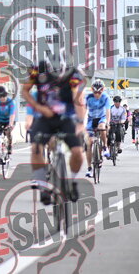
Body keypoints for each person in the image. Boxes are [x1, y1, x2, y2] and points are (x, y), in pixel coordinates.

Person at [21, 58, 87, 205]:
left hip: (67, 118)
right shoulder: (38, 70)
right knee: (36, 149)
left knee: (77, 152)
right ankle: (43, 186)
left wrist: (80, 123)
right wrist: (39, 108)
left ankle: (72, 181)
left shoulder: (74, 74)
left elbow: (78, 99)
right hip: (45, 117)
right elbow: (24, 91)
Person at [84, 79, 110, 178]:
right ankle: (89, 168)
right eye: (95, 92)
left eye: (99, 92)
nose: (97, 94)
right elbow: (83, 111)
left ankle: (105, 147)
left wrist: (108, 122)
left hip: (101, 118)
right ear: (92, 90)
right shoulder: (88, 97)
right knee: (89, 143)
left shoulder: (105, 97)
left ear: (102, 91)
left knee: (102, 127)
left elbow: (108, 111)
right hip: (91, 119)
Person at [0, 85, 17, 173]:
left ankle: (10, 145)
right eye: (0, 96)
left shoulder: (11, 102)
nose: (2, 98)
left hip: (9, 121)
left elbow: (12, 114)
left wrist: (10, 124)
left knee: (8, 132)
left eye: (4, 96)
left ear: (7, 95)